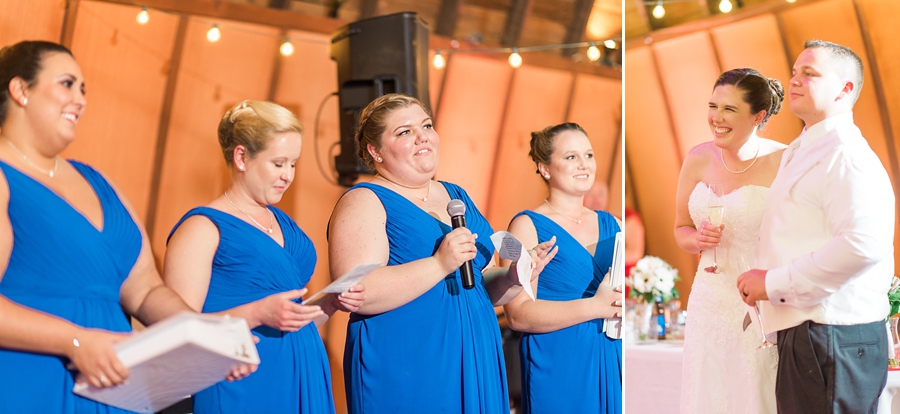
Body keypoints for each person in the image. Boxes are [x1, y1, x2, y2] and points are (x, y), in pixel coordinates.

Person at [0, 41, 252, 412]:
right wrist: (75, 342)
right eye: (67, 84)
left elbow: (146, 291)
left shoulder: (98, 182)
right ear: (21, 90)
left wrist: (207, 336)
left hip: (113, 386)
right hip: (33, 381)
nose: (81, 100)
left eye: (84, 89)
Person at [327, 93, 556, 414]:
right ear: (374, 151)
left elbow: (475, 280)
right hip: (410, 358)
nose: (422, 136)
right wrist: (439, 264)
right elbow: (357, 291)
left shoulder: (456, 195)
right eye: (404, 132)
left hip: (475, 351)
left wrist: (513, 277)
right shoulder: (364, 201)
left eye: (426, 125)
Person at [163, 100, 365, 414]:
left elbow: (289, 318)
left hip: (303, 370)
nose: (288, 175)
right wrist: (256, 313)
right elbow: (174, 330)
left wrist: (331, 302)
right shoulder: (202, 228)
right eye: (278, 163)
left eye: (294, 164)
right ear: (241, 157)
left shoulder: (284, 223)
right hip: (243, 381)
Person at [737, 40, 893, 413]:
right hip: (811, 329)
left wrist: (772, 282)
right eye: (794, 72)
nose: (794, 80)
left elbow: (863, 244)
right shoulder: (806, 147)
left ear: (845, 89)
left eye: (809, 73)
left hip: (834, 332)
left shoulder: (845, 154)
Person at [674, 68, 787, 413]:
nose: (716, 118)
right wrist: (698, 238)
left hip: (759, 301)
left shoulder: (783, 160)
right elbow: (680, 229)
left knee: (755, 392)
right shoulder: (697, 157)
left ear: (759, 116)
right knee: (707, 392)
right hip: (708, 298)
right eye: (713, 106)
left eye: (729, 110)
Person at [502, 122, 624, 413]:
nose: (584, 165)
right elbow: (517, 314)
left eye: (589, 155)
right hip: (559, 360)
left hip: (609, 351)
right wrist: (595, 307)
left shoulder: (613, 224)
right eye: (571, 157)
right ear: (545, 168)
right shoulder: (526, 226)